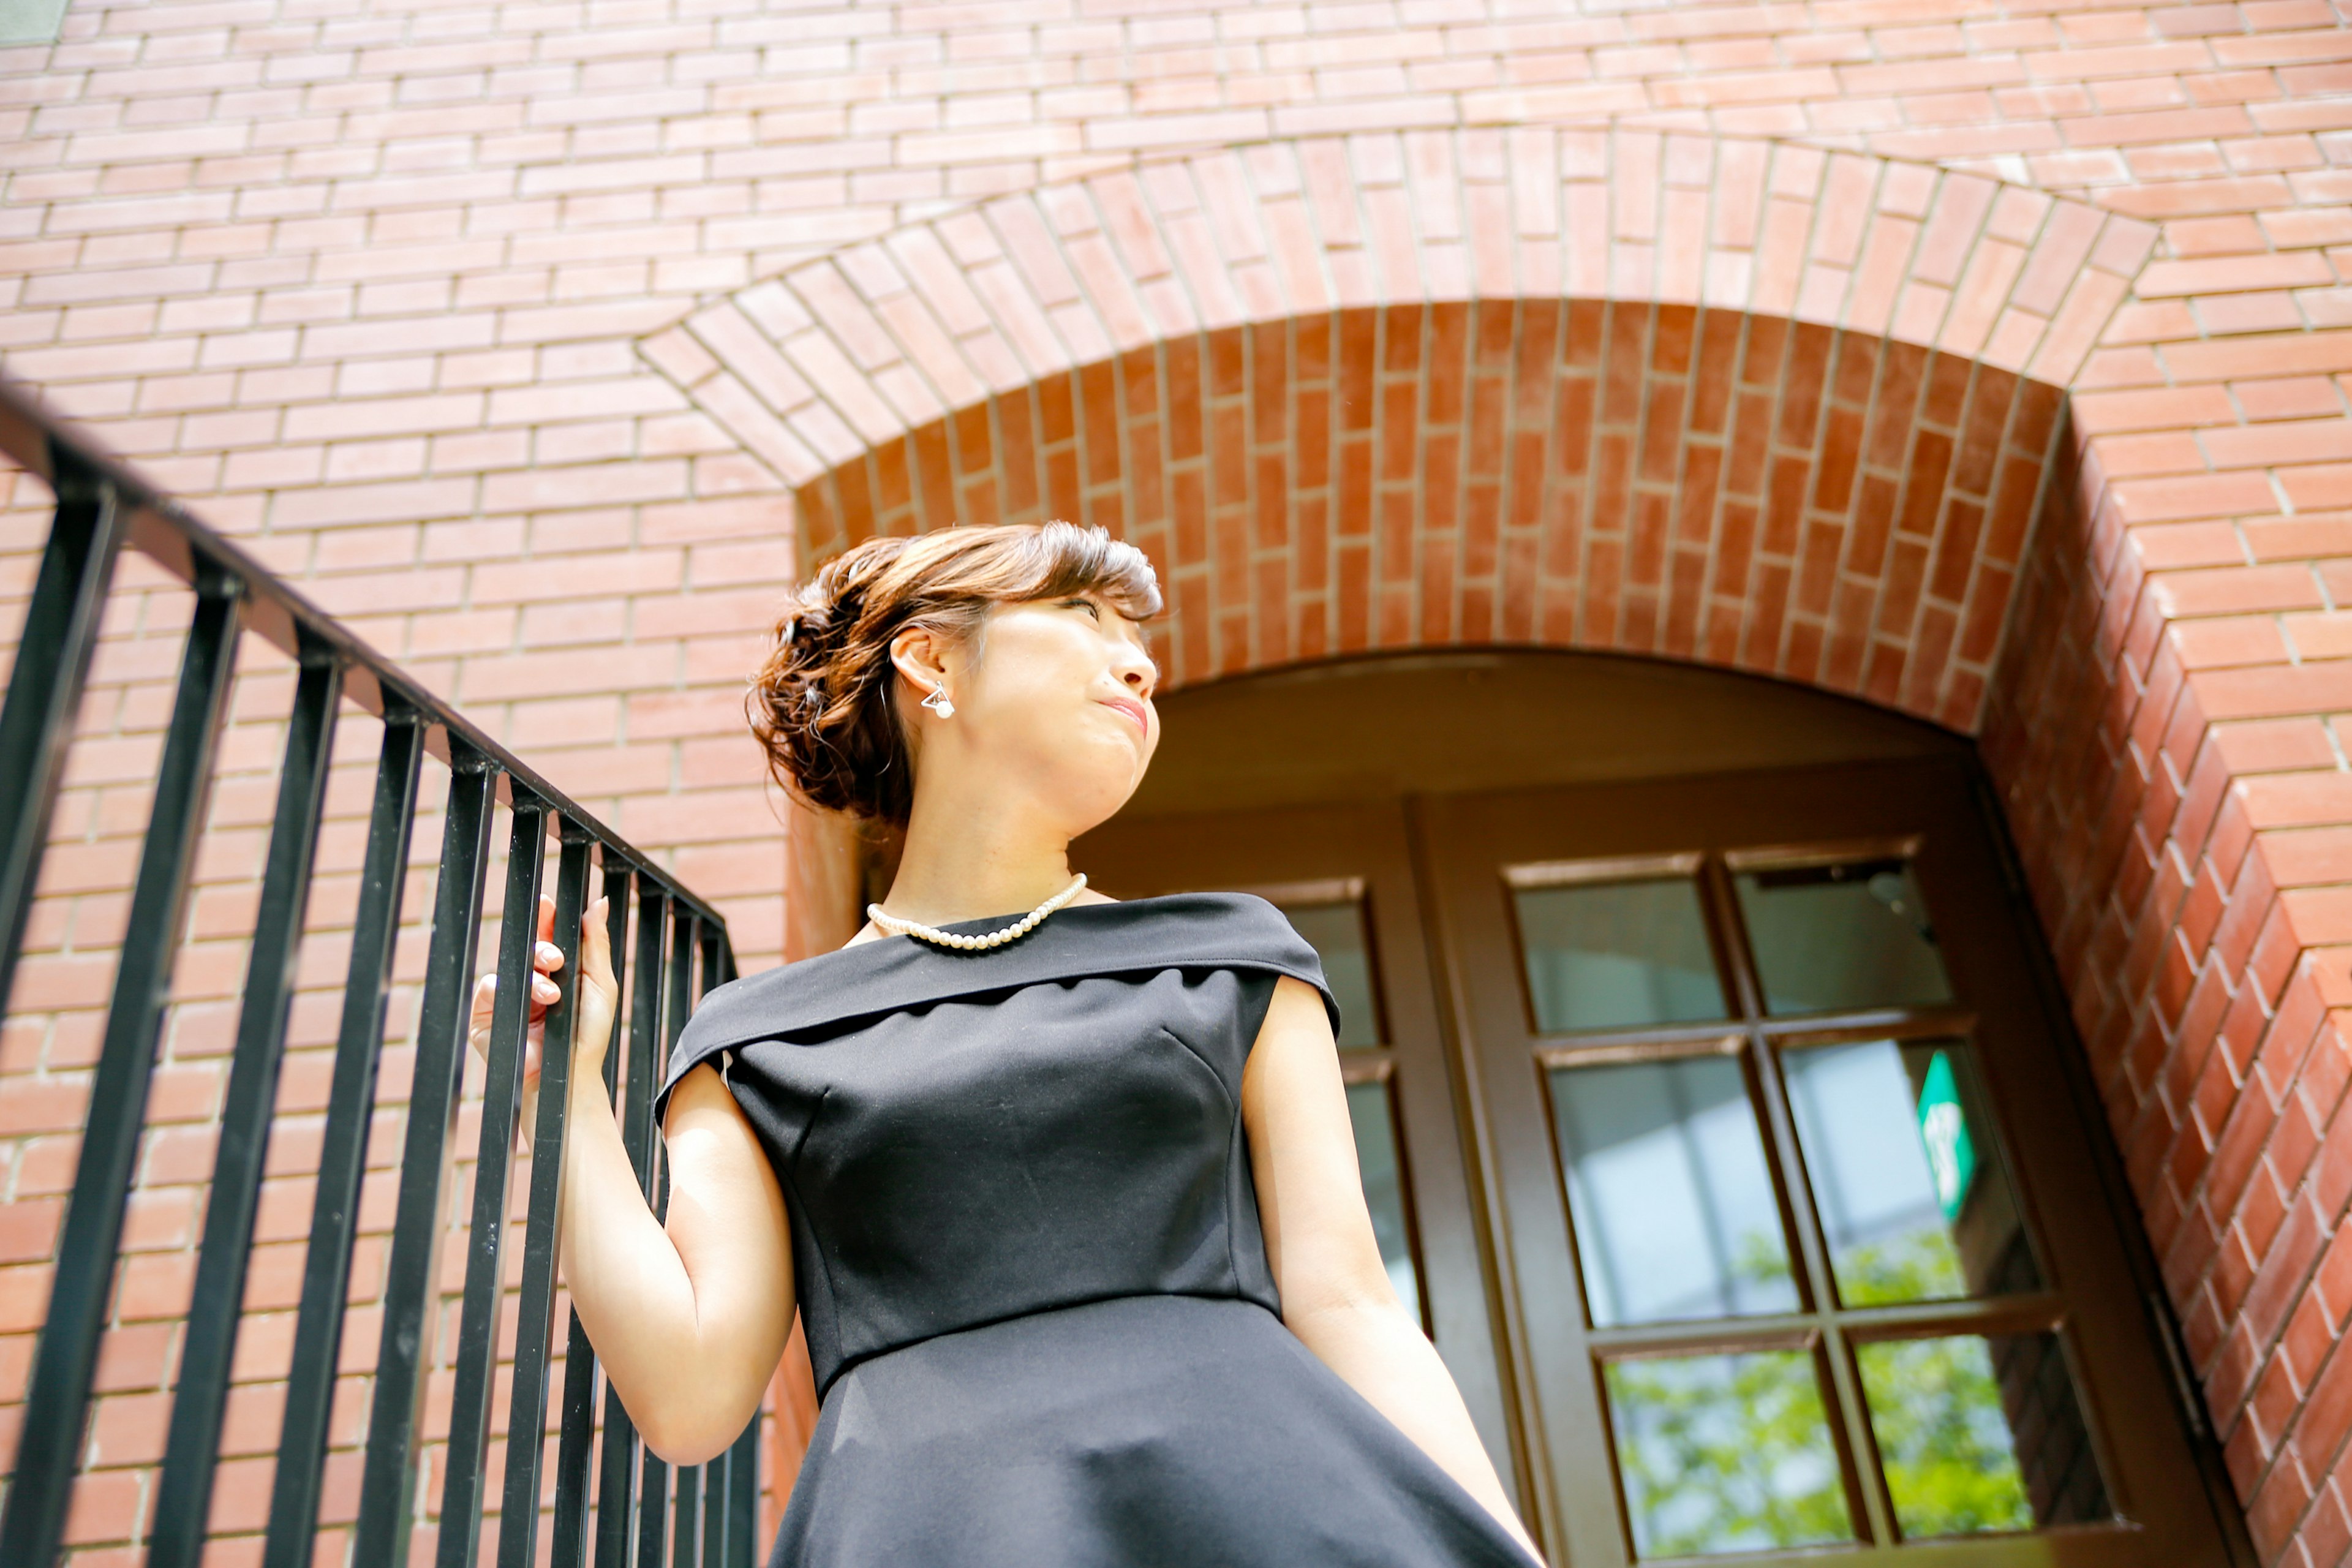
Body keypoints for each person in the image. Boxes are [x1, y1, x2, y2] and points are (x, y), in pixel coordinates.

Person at [471, 521, 1545, 1566]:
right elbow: (692, 1398)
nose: (1140, 667)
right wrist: (559, 1099)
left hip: (1271, 1501)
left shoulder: (1234, 960)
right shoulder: (755, 1038)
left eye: (1145, 648)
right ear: (930, 658)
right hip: (925, 1524)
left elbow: (1351, 1307)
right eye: (1085, 615)